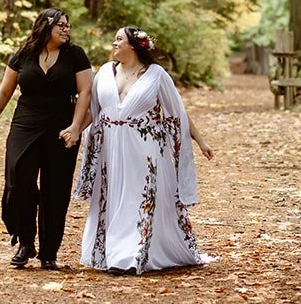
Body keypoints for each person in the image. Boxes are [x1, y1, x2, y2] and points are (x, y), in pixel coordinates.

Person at [74, 25, 215, 274]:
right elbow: (92, 112)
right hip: (111, 149)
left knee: (136, 198)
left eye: (119, 39)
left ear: (133, 45)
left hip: (145, 149)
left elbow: (177, 113)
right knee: (114, 196)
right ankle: (112, 252)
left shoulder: (156, 75)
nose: (114, 43)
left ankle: (130, 255)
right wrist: (74, 129)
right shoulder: (105, 73)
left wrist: (200, 140)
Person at [0, 9, 93, 269]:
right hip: (25, 124)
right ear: (45, 26)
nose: (66, 29)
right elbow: (4, 92)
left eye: (68, 25)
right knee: (18, 180)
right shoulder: (23, 55)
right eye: (60, 25)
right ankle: (25, 240)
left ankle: (48, 252)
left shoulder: (75, 55)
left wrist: (76, 127)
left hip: (61, 128)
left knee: (56, 189)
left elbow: (85, 92)